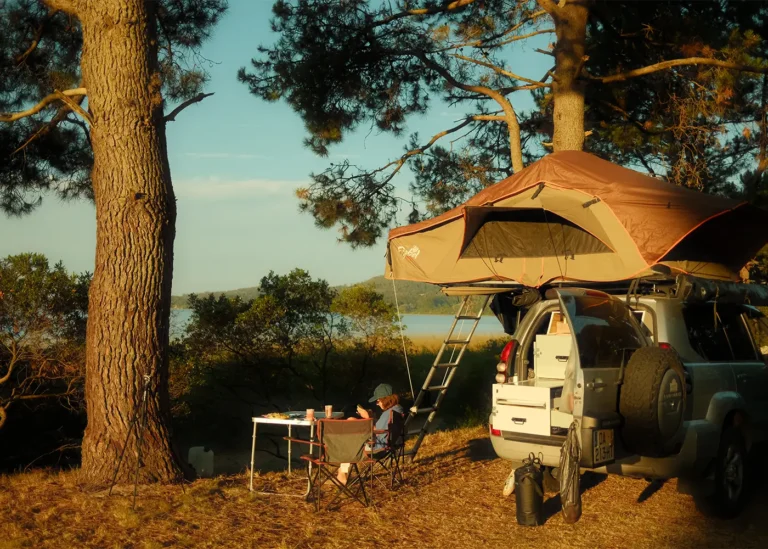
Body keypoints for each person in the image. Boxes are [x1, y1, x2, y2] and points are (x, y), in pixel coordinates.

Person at [336, 383, 404, 485]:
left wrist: (367, 418)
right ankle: (342, 472)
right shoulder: (397, 410)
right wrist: (371, 418)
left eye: (378, 401)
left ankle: (342, 474)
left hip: (377, 447)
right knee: (352, 422)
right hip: (390, 444)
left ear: (385, 399)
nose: (377, 404)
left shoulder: (388, 414)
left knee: (350, 435)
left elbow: (377, 430)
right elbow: (383, 429)